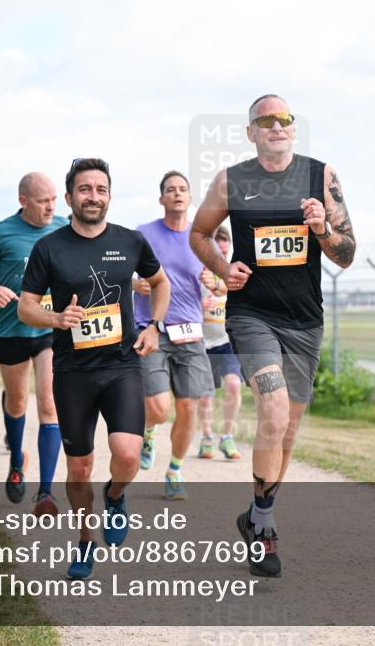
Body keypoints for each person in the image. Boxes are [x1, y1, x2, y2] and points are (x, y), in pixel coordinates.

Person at [190, 94, 356, 577]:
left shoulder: (320, 176)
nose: (277, 126)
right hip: (251, 315)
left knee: (287, 431)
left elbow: (345, 254)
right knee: (273, 407)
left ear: (293, 129)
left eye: (285, 119)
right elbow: (199, 234)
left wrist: (323, 229)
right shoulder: (231, 180)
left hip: (304, 319)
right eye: (267, 120)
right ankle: (264, 528)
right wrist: (223, 268)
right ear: (251, 132)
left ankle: (254, 511)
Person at [19, 157, 170, 580]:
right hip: (72, 373)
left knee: (126, 454)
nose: (94, 196)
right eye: (85, 189)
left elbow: (160, 283)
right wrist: (57, 320)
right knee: (79, 467)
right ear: (69, 197)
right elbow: (26, 306)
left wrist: (154, 326)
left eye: (101, 189)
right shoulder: (49, 248)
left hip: (121, 365)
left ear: (109, 196)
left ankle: (116, 495)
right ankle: (86, 539)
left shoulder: (131, 241)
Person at [0, 172, 69, 513]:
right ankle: (16, 457)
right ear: (23, 201)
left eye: (53, 198)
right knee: (17, 401)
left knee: (50, 402)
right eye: (43, 201)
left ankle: (46, 492)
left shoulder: (62, 228)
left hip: (48, 330)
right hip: (11, 331)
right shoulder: (2, 232)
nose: (50, 206)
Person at [133, 170, 215, 500]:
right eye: (171, 189)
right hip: (151, 328)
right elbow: (118, 273)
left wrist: (217, 284)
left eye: (183, 189)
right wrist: (131, 283)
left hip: (191, 332)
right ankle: (149, 432)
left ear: (190, 197)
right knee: (157, 408)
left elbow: (222, 281)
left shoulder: (202, 238)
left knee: (189, 408)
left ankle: (175, 470)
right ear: (161, 198)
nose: (177, 194)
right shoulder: (144, 234)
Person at [197, 225, 243, 461]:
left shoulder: (233, 271)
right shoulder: (196, 269)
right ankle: (206, 437)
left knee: (234, 385)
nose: (222, 258)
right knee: (205, 395)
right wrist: (198, 306)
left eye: (225, 254)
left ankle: (226, 436)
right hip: (201, 341)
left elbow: (231, 289)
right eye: (217, 254)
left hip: (225, 340)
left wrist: (218, 286)